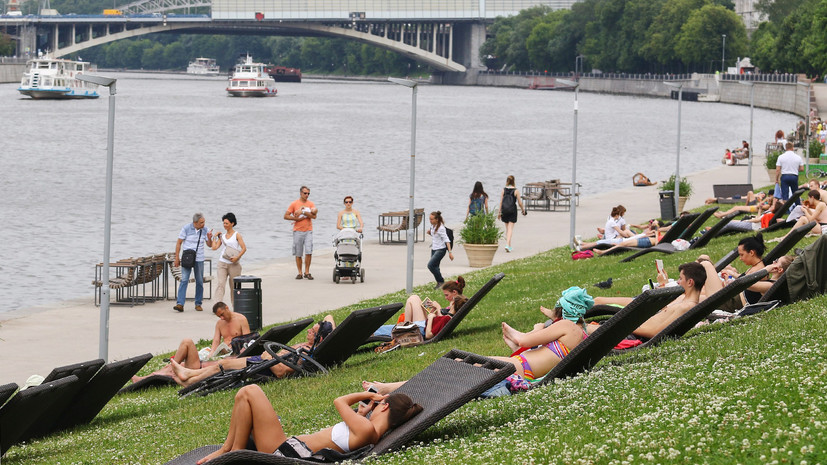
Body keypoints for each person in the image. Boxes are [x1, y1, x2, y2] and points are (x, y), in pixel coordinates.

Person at [366, 287, 594, 393]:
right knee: (454, 369)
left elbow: (523, 339)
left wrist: (530, 332)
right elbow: (526, 348)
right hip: (521, 366)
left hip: (519, 368)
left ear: (562, 311)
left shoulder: (565, 326)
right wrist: (517, 343)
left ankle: (389, 388)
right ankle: (391, 388)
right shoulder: (579, 333)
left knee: (453, 365)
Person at [196, 385, 422, 464]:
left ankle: (231, 453)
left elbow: (339, 401)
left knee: (250, 392)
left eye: (378, 404)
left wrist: (369, 394)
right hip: (288, 448)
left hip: (283, 454)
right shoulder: (367, 429)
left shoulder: (366, 429)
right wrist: (364, 412)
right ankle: (228, 450)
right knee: (244, 398)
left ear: (384, 407)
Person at [169, 316, 336, 386]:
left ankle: (190, 378)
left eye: (312, 332)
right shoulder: (312, 347)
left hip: (265, 366)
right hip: (265, 361)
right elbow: (329, 317)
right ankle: (189, 375)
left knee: (224, 364)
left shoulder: (305, 354)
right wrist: (325, 333)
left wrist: (268, 355)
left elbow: (281, 371)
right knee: (223, 363)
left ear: (319, 338)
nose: (308, 332)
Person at [130, 302, 250, 384]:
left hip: (218, 361)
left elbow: (247, 343)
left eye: (222, 314)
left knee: (181, 355)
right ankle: (143, 379)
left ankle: (168, 369)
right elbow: (216, 341)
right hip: (209, 361)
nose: (222, 318)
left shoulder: (241, 319)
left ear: (227, 308)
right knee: (174, 363)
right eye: (219, 316)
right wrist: (212, 353)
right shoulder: (220, 323)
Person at [372, 278, 467, 341]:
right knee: (414, 299)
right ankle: (403, 328)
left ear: (454, 293)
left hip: (423, 327)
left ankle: (403, 330)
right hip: (425, 324)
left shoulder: (453, 310)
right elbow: (440, 322)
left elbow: (436, 328)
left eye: (447, 295)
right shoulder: (455, 308)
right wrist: (433, 311)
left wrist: (437, 310)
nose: (446, 298)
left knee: (413, 298)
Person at [173, 212, 213, 312]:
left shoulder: (205, 230)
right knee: (184, 280)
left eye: (204, 222)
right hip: (187, 258)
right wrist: (177, 258)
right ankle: (180, 304)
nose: (203, 224)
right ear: (195, 222)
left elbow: (210, 245)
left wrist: (209, 237)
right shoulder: (186, 228)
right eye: (201, 222)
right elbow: (179, 243)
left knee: (199, 281)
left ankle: (198, 303)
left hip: (199, 259)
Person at [210, 212, 247, 306]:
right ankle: (217, 306)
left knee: (234, 286)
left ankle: (236, 305)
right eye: (223, 223)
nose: (224, 225)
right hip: (222, 263)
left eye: (226, 223)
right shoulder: (222, 236)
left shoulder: (237, 235)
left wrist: (237, 258)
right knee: (220, 284)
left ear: (232, 223)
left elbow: (244, 248)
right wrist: (214, 237)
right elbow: (214, 248)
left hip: (234, 264)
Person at [284, 186, 317, 280]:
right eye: (305, 193)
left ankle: (307, 272)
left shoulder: (310, 204)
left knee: (309, 251)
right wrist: (296, 219)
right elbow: (286, 216)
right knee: (298, 253)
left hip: (308, 230)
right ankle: (300, 272)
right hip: (298, 230)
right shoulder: (294, 204)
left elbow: (314, 216)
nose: (307, 195)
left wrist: (305, 212)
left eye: (308, 193)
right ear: (301, 193)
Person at [498, 175, 526, 252]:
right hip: (512, 210)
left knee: (507, 229)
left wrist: (499, 212)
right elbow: (520, 203)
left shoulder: (503, 190)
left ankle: (509, 246)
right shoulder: (516, 191)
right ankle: (507, 245)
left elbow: (501, 202)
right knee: (510, 229)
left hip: (504, 211)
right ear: (514, 181)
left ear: (507, 181)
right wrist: (523, 210)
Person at [426, 211, 453, 289]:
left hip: (440, 250)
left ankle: (441, 281)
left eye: (431, 219)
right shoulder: (433, 226)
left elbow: (447, 240)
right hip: (434, 249)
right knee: (435, 267)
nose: (430, 221)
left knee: (430, 265)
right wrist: (430, 233)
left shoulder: (441, 228)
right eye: (429, 219)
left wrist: (450, 252)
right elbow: (436, 236)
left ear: (437, 219)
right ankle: (439, 283)